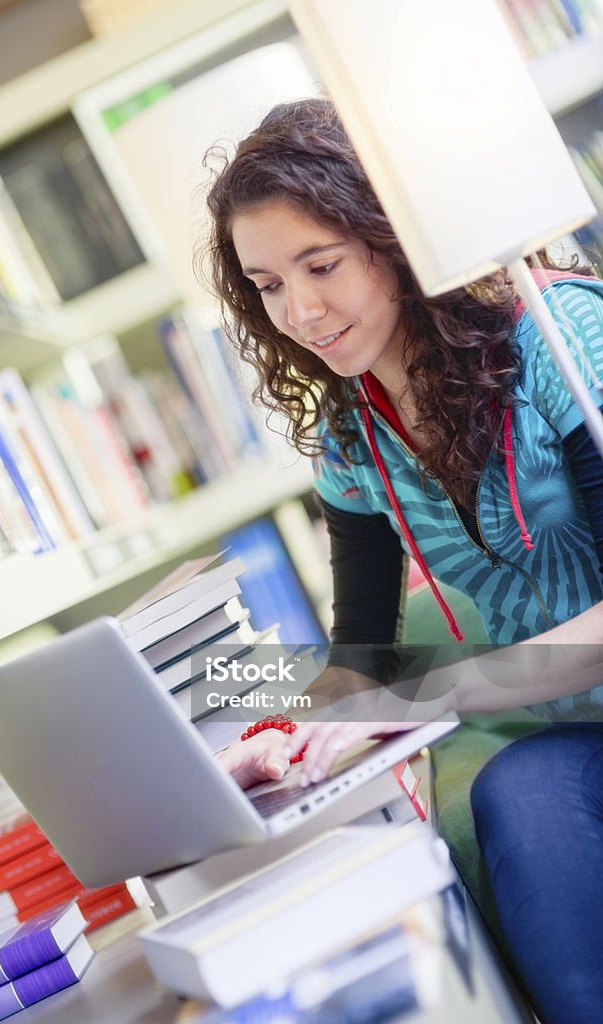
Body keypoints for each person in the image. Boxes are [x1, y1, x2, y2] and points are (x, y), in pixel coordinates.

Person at [199, 96, 603, 1024]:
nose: (299, 311)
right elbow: (361, 658)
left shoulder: (556, 338)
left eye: (322, 264)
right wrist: (275, 745)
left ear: (393, 237)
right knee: (519, 795)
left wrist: (437, 693)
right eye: (265, 284)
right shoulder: (349, 437)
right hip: (576, 735)